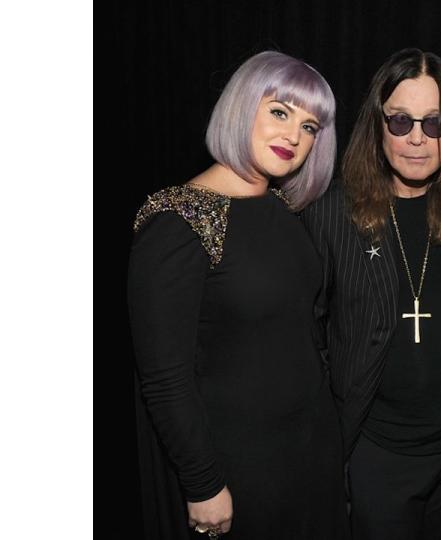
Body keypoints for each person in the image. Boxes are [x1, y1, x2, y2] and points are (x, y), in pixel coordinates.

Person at [128, 51, 348, 539]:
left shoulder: (280, 208)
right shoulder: (177, 222)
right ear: (240, 106)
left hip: (311, 453)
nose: (295, 135)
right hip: (239, 466)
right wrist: (203, 483)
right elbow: (164, 379)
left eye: (311, 126)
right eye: (279, 112)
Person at [300, 48, 441, 540]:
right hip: (376, 455)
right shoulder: (331, 213)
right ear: (377, 126)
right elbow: (305, 334)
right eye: (401, 122)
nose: (418, 140)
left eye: (433, 122)